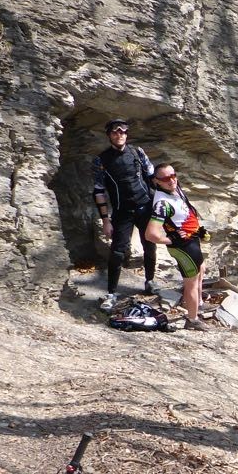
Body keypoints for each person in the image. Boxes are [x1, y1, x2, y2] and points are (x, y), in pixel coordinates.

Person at [92, 118, 158, 311]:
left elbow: (153, 177)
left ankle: (150, 281)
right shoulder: (101, 160)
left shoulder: (137, 152)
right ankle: (111, 293)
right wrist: (105, 220)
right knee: (118, 252)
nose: (119, 134)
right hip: (122, 211)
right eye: (114, 132)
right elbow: (98, 191)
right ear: (109, 135)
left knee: (150, 245)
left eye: (122, 131)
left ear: (127, 134)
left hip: (145, 207)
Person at [145, 163, 208, 331]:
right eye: (165, 178)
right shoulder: (161, 204)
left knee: (201, 269)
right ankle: (192, 319)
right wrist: (172, 240)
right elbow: (150, 234)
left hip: (191, 240)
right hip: (183, 247)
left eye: (173, 175)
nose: (171, 180)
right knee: (191, 283)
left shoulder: (174, 188)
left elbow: (185, 211)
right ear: (157, 181)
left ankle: (198, 305)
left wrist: (197, 230)